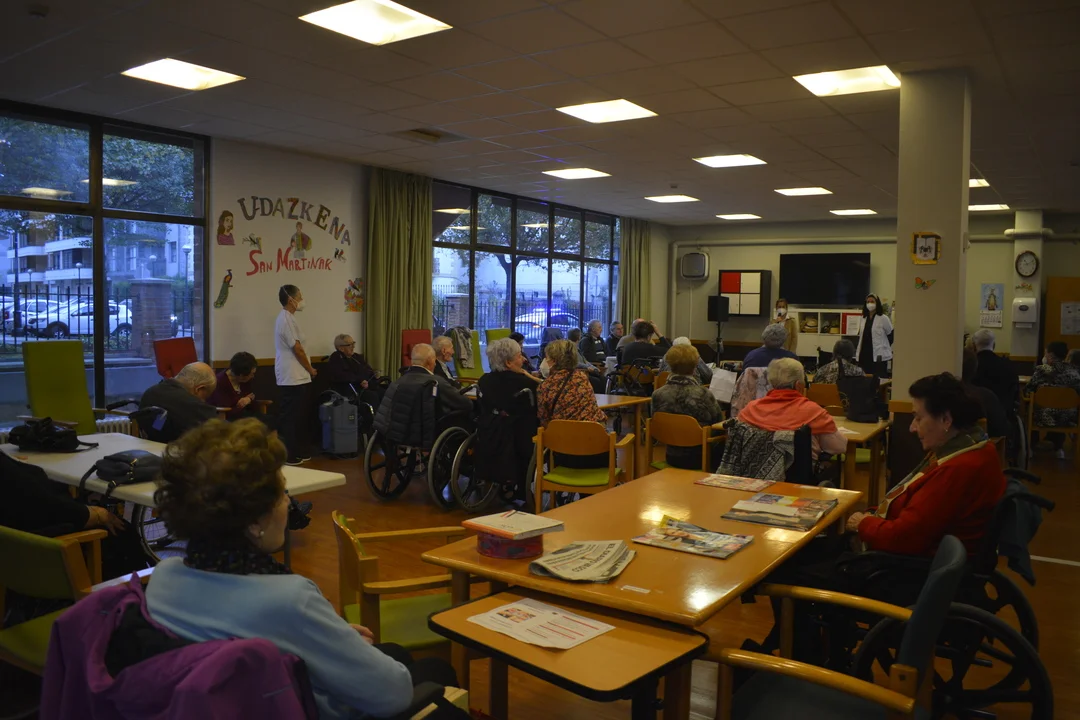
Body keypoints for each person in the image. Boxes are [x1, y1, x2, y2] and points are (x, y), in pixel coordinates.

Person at [145, 419, 457, 720]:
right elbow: (394, 695)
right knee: (434, 671)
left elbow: (237, 634)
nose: (288, 503)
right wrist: (324, 633)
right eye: (282, 494)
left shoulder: (163, 578)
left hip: (234, 703)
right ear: (254, 522)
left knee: (395, 653)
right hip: (299, 706)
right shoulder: (290, 599)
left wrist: (328, 634)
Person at [737, 358, 847, 460]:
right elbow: (839, 447)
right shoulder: (814, 412)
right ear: (798, 385)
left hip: (754, 472)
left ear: (772, 383)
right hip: (800, 473)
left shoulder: (750, 410)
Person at [537, 339, 608, 469]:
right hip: (596, 447)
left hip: (565, 452)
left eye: (547, 358)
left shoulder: (545, 387)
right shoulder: (582, 378)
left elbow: (544, 420)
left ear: (554, 361)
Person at [652, 344, 722, 469]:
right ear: (695, 367)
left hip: (672, 456)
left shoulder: (657, 394)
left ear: (670, 365)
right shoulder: (704, 394)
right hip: (701, 458)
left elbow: (655, 422)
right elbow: (718, 425)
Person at [275, 285, 316, 466]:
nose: (302, 299)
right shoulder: (285, 319)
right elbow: (297, 349)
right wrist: (310, 369)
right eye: (300, 296)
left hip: (298, 375)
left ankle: (299, 450)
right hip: (291, 375)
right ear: (291, 300)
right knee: (290, 417)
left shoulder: (291, 318)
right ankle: (289, 455)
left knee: (299, 415)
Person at [139, 362, 219, 442]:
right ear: (199, 389)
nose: (203, 401)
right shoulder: (194, 406)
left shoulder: (149, 393)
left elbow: (155, 427)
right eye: (205, 397)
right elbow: (217, 436)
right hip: (180, 448)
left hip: (149, 446)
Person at [1026, 341, 1080, 458]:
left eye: (1045, 353)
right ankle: (1058, 448)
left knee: (1029, 407)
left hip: (1041, 417)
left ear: (1050, 355)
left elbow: (1028, 390)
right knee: (1061, 407)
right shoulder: (1074, 372)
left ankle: (1031, 446)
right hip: (1068, 419)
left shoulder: (1041, 370)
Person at [961, 349, 1009, 441]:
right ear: (975, 369)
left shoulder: (947, 397)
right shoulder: (987, 397)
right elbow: (1001, 429)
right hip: (984, 445)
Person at [970, 329, 1019, 414]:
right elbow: (1015, 393)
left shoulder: (970, 366)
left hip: (975, 415)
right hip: (1002, 415)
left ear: (974, 346)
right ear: (994, 345)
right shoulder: (1007, 365)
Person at [327, 333, 382, 410]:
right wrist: (360, 380)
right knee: (372, 396)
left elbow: (368, 369)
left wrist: (373, 375)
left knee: (385, 392)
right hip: (349, 390)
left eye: (353, 343)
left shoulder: (356, 357)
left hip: (364, 386)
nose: (353, 347)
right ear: (341, 348)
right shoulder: (336, 358)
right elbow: (342, 376)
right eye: (350, 345)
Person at [207, 352, 262, 422]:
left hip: (247, 416)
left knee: (270, 420)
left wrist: (249, 399)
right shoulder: (220, 382)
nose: (253, 376)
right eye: (252, 374)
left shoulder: (245, 380)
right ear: (241, 375)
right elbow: (227, 411)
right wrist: (240, 405)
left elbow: (253, 405)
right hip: (230, 420)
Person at [855, 294, 893, 378]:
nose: (870, 304)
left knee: (879, 379)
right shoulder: (863, 318)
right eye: (868, 302)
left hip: (878, 355)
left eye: (872, 301)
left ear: (877, 303)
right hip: (864, 354)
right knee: (865, 378)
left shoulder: (883, 318)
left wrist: (884, 346)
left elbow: (891, 334)